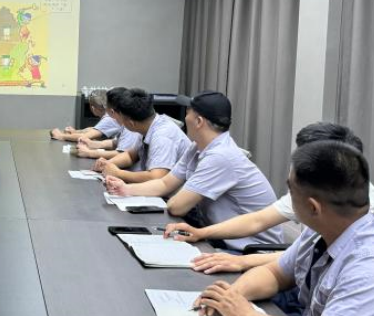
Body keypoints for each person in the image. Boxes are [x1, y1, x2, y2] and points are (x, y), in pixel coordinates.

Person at [195, 140, 374, 316]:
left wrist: (248, 315)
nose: (288, 197)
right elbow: (275, 273)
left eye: (291, 190)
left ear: (313, 208)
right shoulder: (322, 229)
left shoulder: (366, 263)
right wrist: (233, 296)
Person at [164, 122, 374, 273]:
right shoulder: (316, 192)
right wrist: (201, 233)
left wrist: (241, 263)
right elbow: (258, 220)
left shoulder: (363, 223)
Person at [106, 91, 281, 250]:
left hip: (248, 250)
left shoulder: (221, 156)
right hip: (217, 236)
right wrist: (125, 189)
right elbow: (164, 183)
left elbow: (177, 207)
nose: (185, 117)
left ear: (198, 122)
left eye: (188, 112)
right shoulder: (197, 147)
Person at [96, 88, 191, 184]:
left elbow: (157, 177)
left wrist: (118, 173)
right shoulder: (147, 125)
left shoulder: (162, 136)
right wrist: (108, 164)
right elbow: (130, 156)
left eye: (122, 118)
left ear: (131, 123)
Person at [75, 87, 141, 158]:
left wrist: (89, 153)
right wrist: (93, 144)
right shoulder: (125, 122)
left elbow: (123, 155)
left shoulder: (130, 126)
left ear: (112, 111)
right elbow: (116, 142)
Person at [50, 90, 119, 142]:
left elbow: (84, 137)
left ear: (92, 108)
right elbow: (94, 129)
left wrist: (61, 136)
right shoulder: (109, 116)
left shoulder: (108, 119)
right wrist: (76, 132)